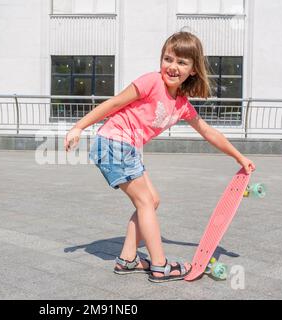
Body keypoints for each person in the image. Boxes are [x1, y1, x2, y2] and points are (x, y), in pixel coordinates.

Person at [64, 31, 256, 283]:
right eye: (168, 59)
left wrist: (238, 157)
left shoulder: (182, 105)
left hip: (126, 148)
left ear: (193, 70)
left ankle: (127, 259)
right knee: (145, 203)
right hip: (114, 143)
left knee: (151, 201)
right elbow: (113, 104)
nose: (173, 67)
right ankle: (160, 265)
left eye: (182, 62)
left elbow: (208, 131)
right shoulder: (150, 82)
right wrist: (79, 126)